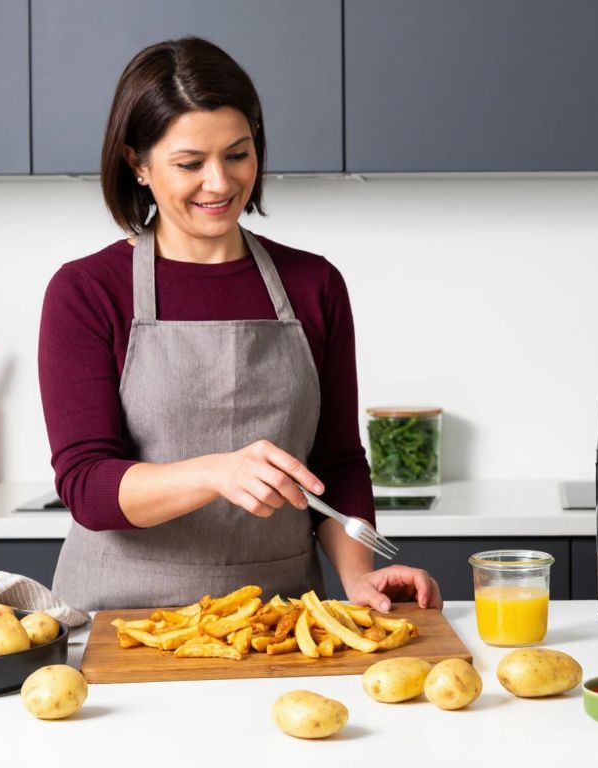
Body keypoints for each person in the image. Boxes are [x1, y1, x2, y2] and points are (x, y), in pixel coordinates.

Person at [38, 37, 441, 612]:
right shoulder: (86, 290)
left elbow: (336, 462)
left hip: (279, 618)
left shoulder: (314, 284)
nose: (220, 183)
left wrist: (358, 579)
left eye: (237, 154)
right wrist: (216, 473)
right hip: (121, 616)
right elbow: (87, 485)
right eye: (190, 164)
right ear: (138, 164)